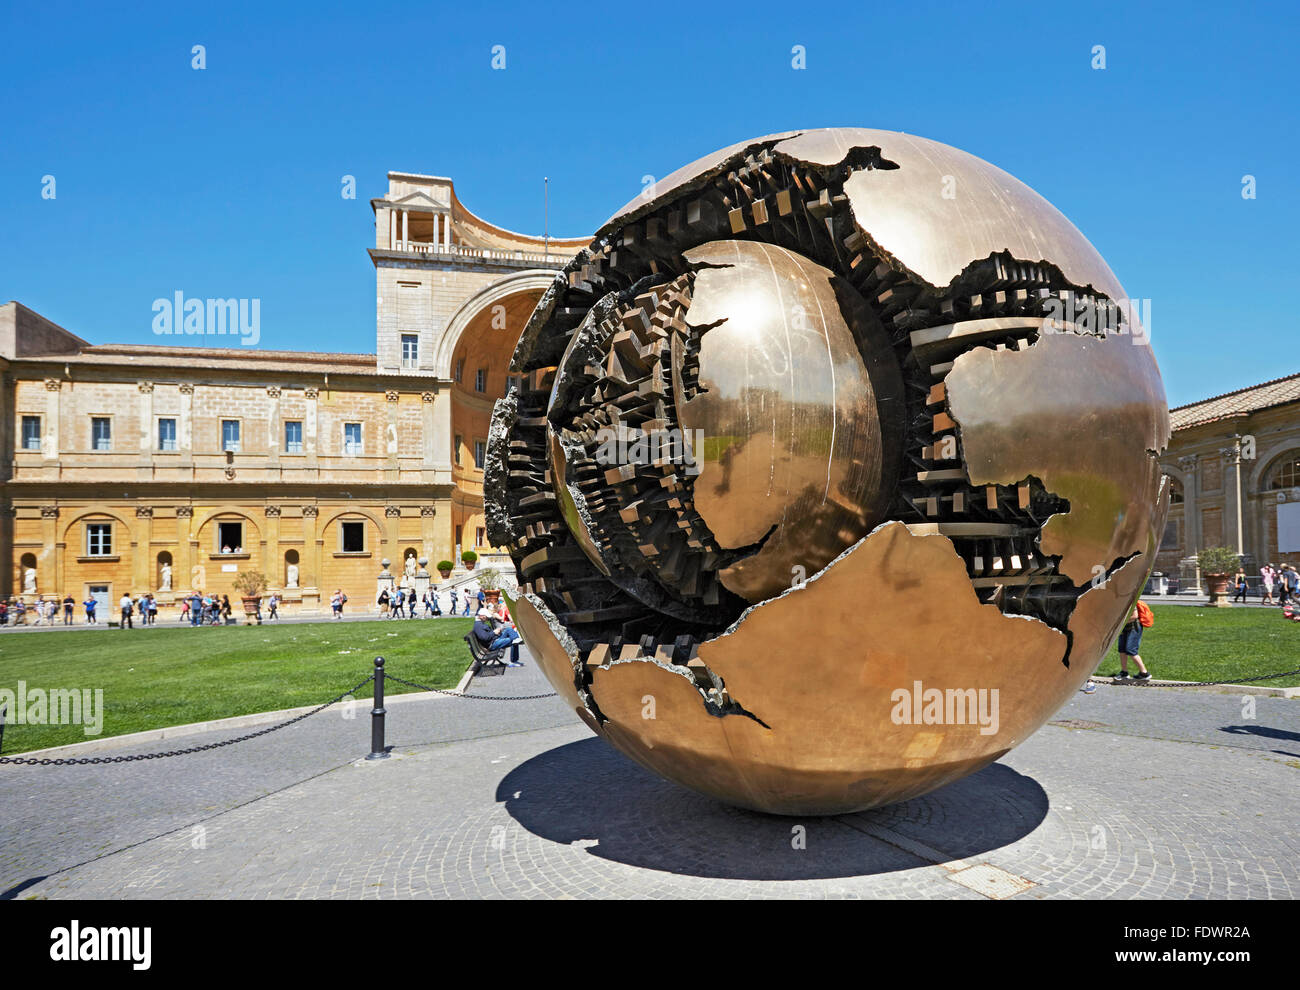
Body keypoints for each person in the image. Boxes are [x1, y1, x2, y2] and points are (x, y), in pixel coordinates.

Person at [1114, 601, 1151, 681]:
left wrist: (1121, 622)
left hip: (1134, 628)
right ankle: (1124, 672)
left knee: (1131, 650)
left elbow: (1134, 616)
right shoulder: (1118, 601)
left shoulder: (1130, 601)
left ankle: (1144, 673)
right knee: (1122, 650)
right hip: (1124, 628)